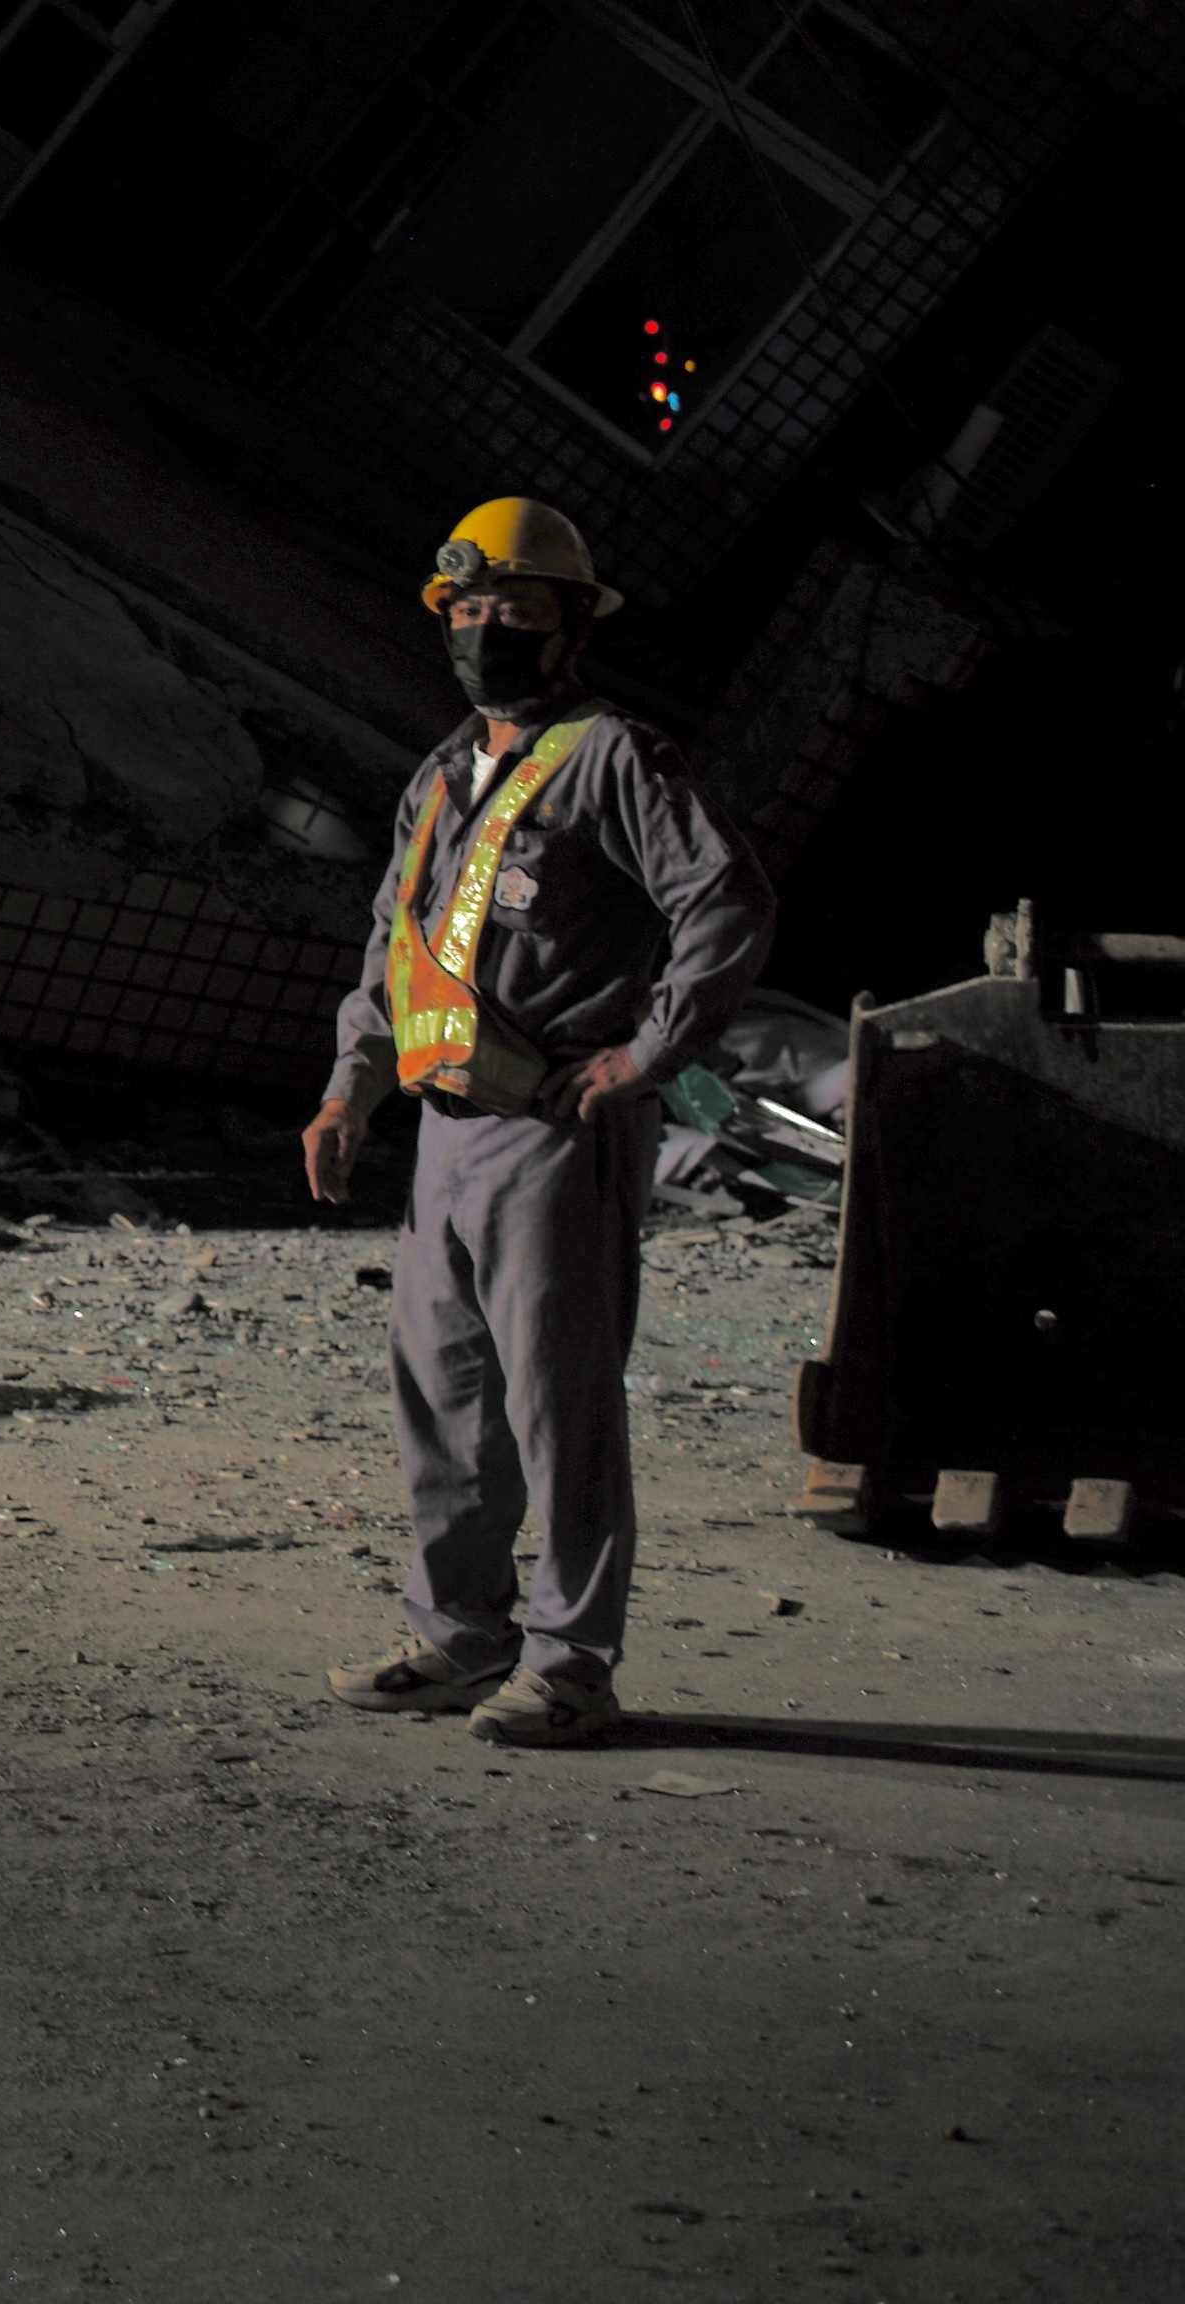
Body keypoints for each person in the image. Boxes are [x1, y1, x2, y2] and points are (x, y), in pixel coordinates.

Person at [301, 498, 775, 1749]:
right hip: (444, 1132)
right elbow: (393, 948)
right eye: (466, 608)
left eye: (513, 606)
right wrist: (351, 1088)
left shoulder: (613, 758)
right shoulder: (442, 772)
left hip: (556, 1131)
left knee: (560, 1412)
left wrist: (647, 1054)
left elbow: (725, 901)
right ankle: (461, 1636)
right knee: (445, 1400)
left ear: (570, 625)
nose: (485, 628)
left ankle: (570, 1665)